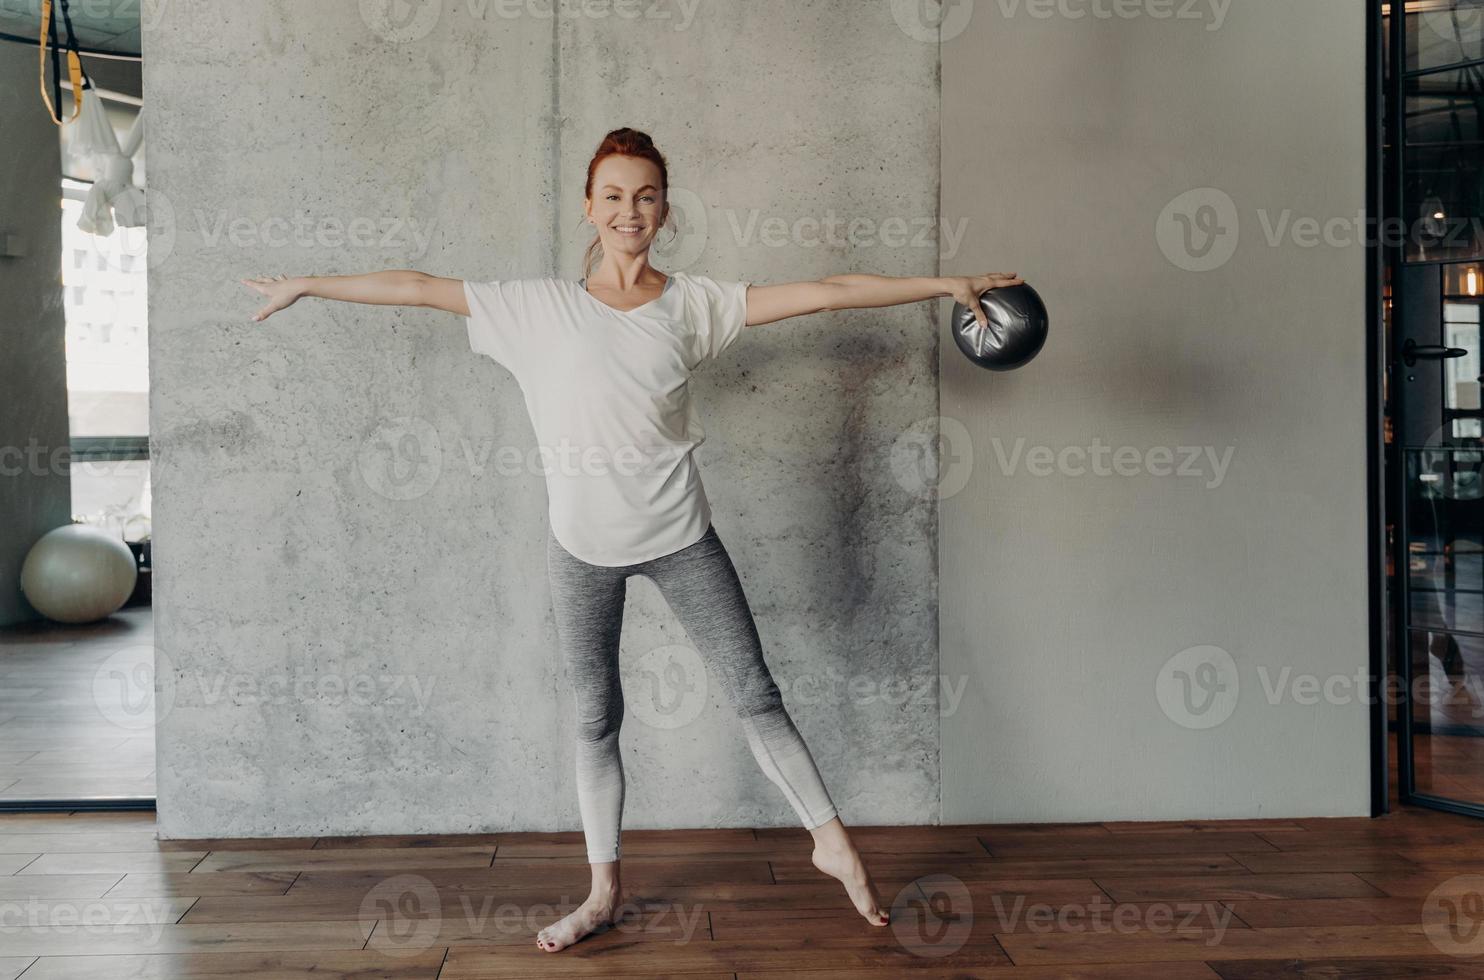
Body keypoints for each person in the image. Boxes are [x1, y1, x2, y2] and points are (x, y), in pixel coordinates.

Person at [241, 126, 1022, 953]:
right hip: (580, 549)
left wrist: (946, 282)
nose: (629, 210)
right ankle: (603, 890)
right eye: (613, 195)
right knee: (596, 718)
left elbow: (827, 290)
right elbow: (418, 286)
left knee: (757, 695)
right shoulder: (534, 308)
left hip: (682, 537)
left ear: (665, 211)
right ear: (589, 206)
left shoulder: (694, 305)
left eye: (645, 195)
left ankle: (831, 842)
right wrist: (308, 284)